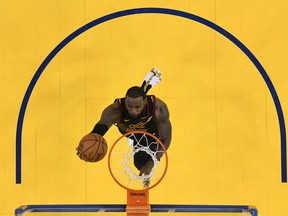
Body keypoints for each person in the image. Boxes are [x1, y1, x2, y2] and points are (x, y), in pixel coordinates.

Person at [84, 68, 172, 185]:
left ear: (145, 102)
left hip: (152, 132)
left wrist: (153, 161)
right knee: (139, 163)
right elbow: (100, 128)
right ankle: (143, 88)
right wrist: (87, 145)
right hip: (131, 133)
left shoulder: (159, 109)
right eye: (129, 107)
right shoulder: (115, 110)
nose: (133, 111)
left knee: (143, 163)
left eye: (137, 107)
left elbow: (165, 139)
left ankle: (145, 86)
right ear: (125, 102)